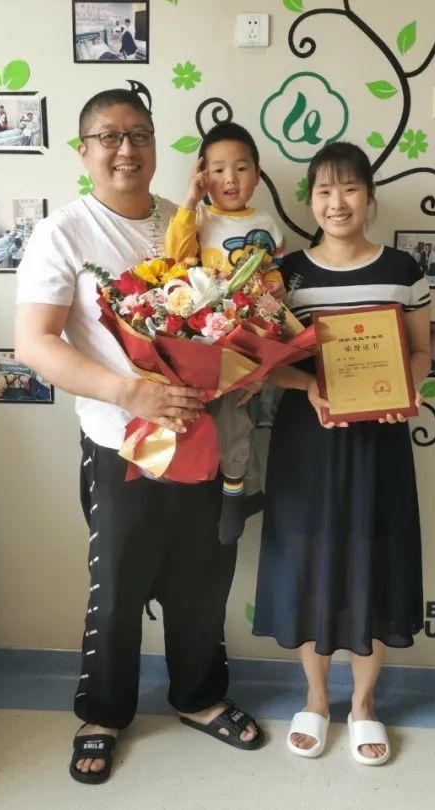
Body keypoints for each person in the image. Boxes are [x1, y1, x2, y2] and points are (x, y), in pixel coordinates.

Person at [14, 88, 263, 786]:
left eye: (140, 135)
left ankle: (200, 696)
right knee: (118, 586)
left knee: (203, 579)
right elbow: (34, 343)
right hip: (120, 443)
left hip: (203, 437)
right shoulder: (63, 233)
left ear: (155, 145)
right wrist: (130, 392)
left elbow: (231, 319)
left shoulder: (189, 222)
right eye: (110, 136)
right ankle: (101, 715)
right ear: (84, 151)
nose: (127, 149)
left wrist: (243, 370)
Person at [253, 141, 431, 766]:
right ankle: (314, 697)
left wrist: (403, 389)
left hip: (379, 439)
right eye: (325, 190)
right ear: (310, 199)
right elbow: (266, 363)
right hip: (308, 440)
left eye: (350, 188)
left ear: (369, 196)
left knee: (372, 564)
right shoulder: (285, 275)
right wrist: (308, 387)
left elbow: (421, 352)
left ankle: (362, 704)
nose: (337, 202)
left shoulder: (405, 269)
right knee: (309, 562)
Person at [164, 121, 285, 544]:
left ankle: (237, 493)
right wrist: (189, 200)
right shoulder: (197, 218)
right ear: (203, 175)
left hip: (245, 339)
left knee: (236, 419)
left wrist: (272, 310)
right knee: (192, 421)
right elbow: (175, 258)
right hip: (199, 338)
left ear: (257, 173)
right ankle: (189, 490)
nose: (230, 179)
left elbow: (274, 277)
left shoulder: (267, 223)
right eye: (217, 170)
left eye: (241, 168)